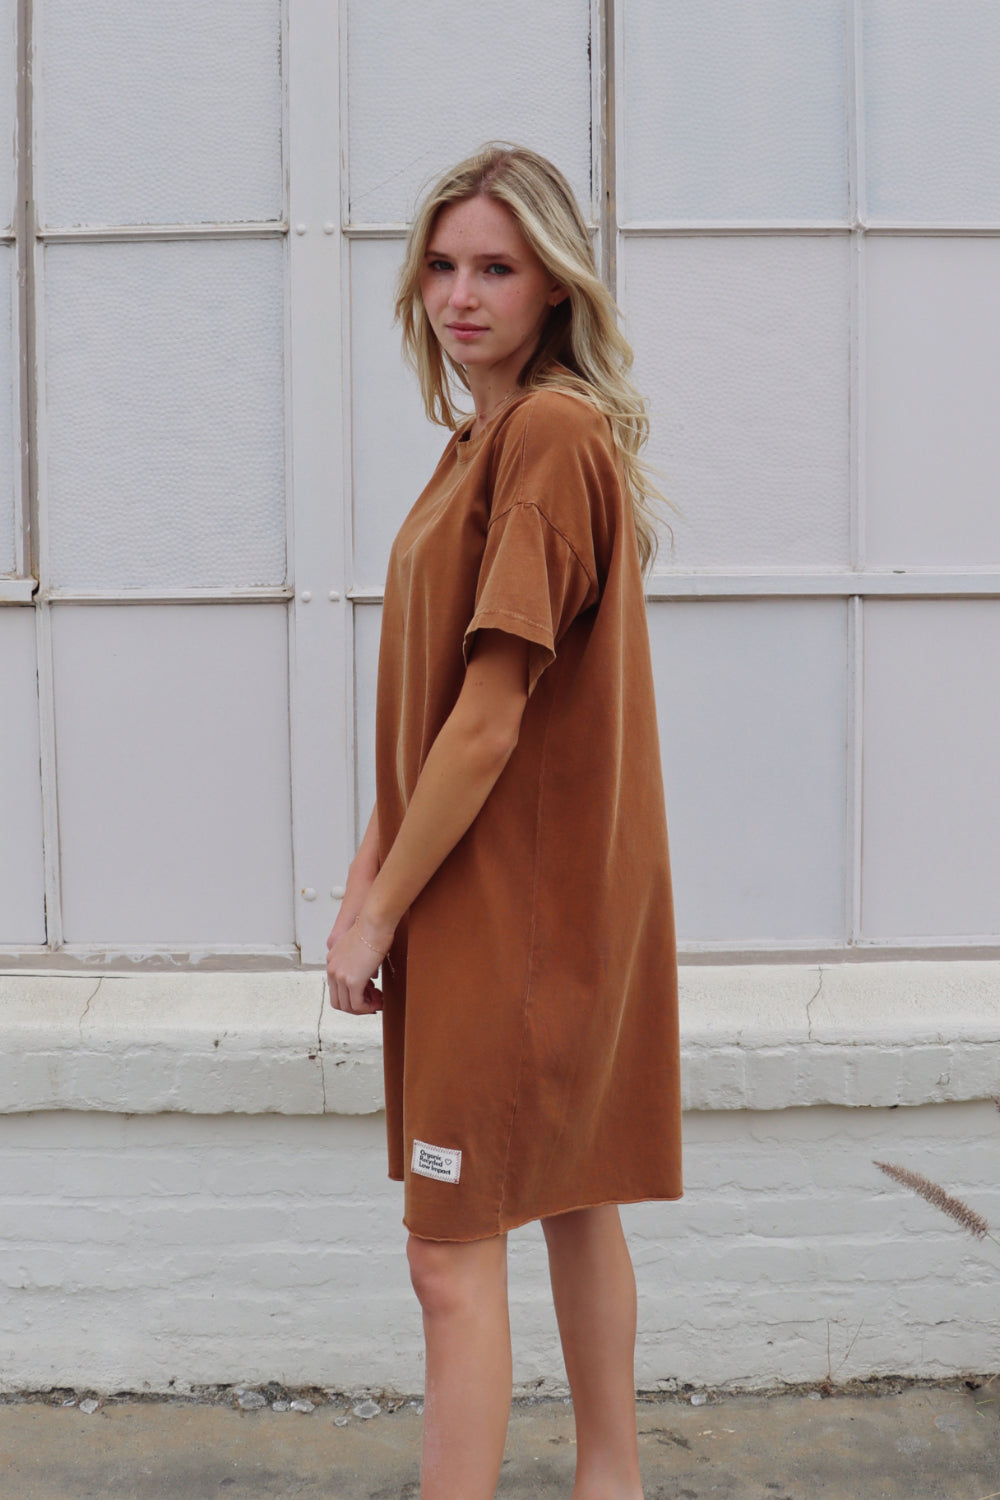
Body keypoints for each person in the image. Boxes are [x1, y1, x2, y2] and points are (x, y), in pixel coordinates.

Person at [326, 143, 682, 1500]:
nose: (459, 294)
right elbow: (429, 716)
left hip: (509, 915)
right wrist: (371, 863)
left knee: (447, 1251)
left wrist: (376, 912)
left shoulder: (544, 434)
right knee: (573, 1196)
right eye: (441, 263)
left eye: (497, 266)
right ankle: (612, 1482)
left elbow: (485, 719)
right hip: (539, 903)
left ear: (553, 284)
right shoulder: (485, 440)